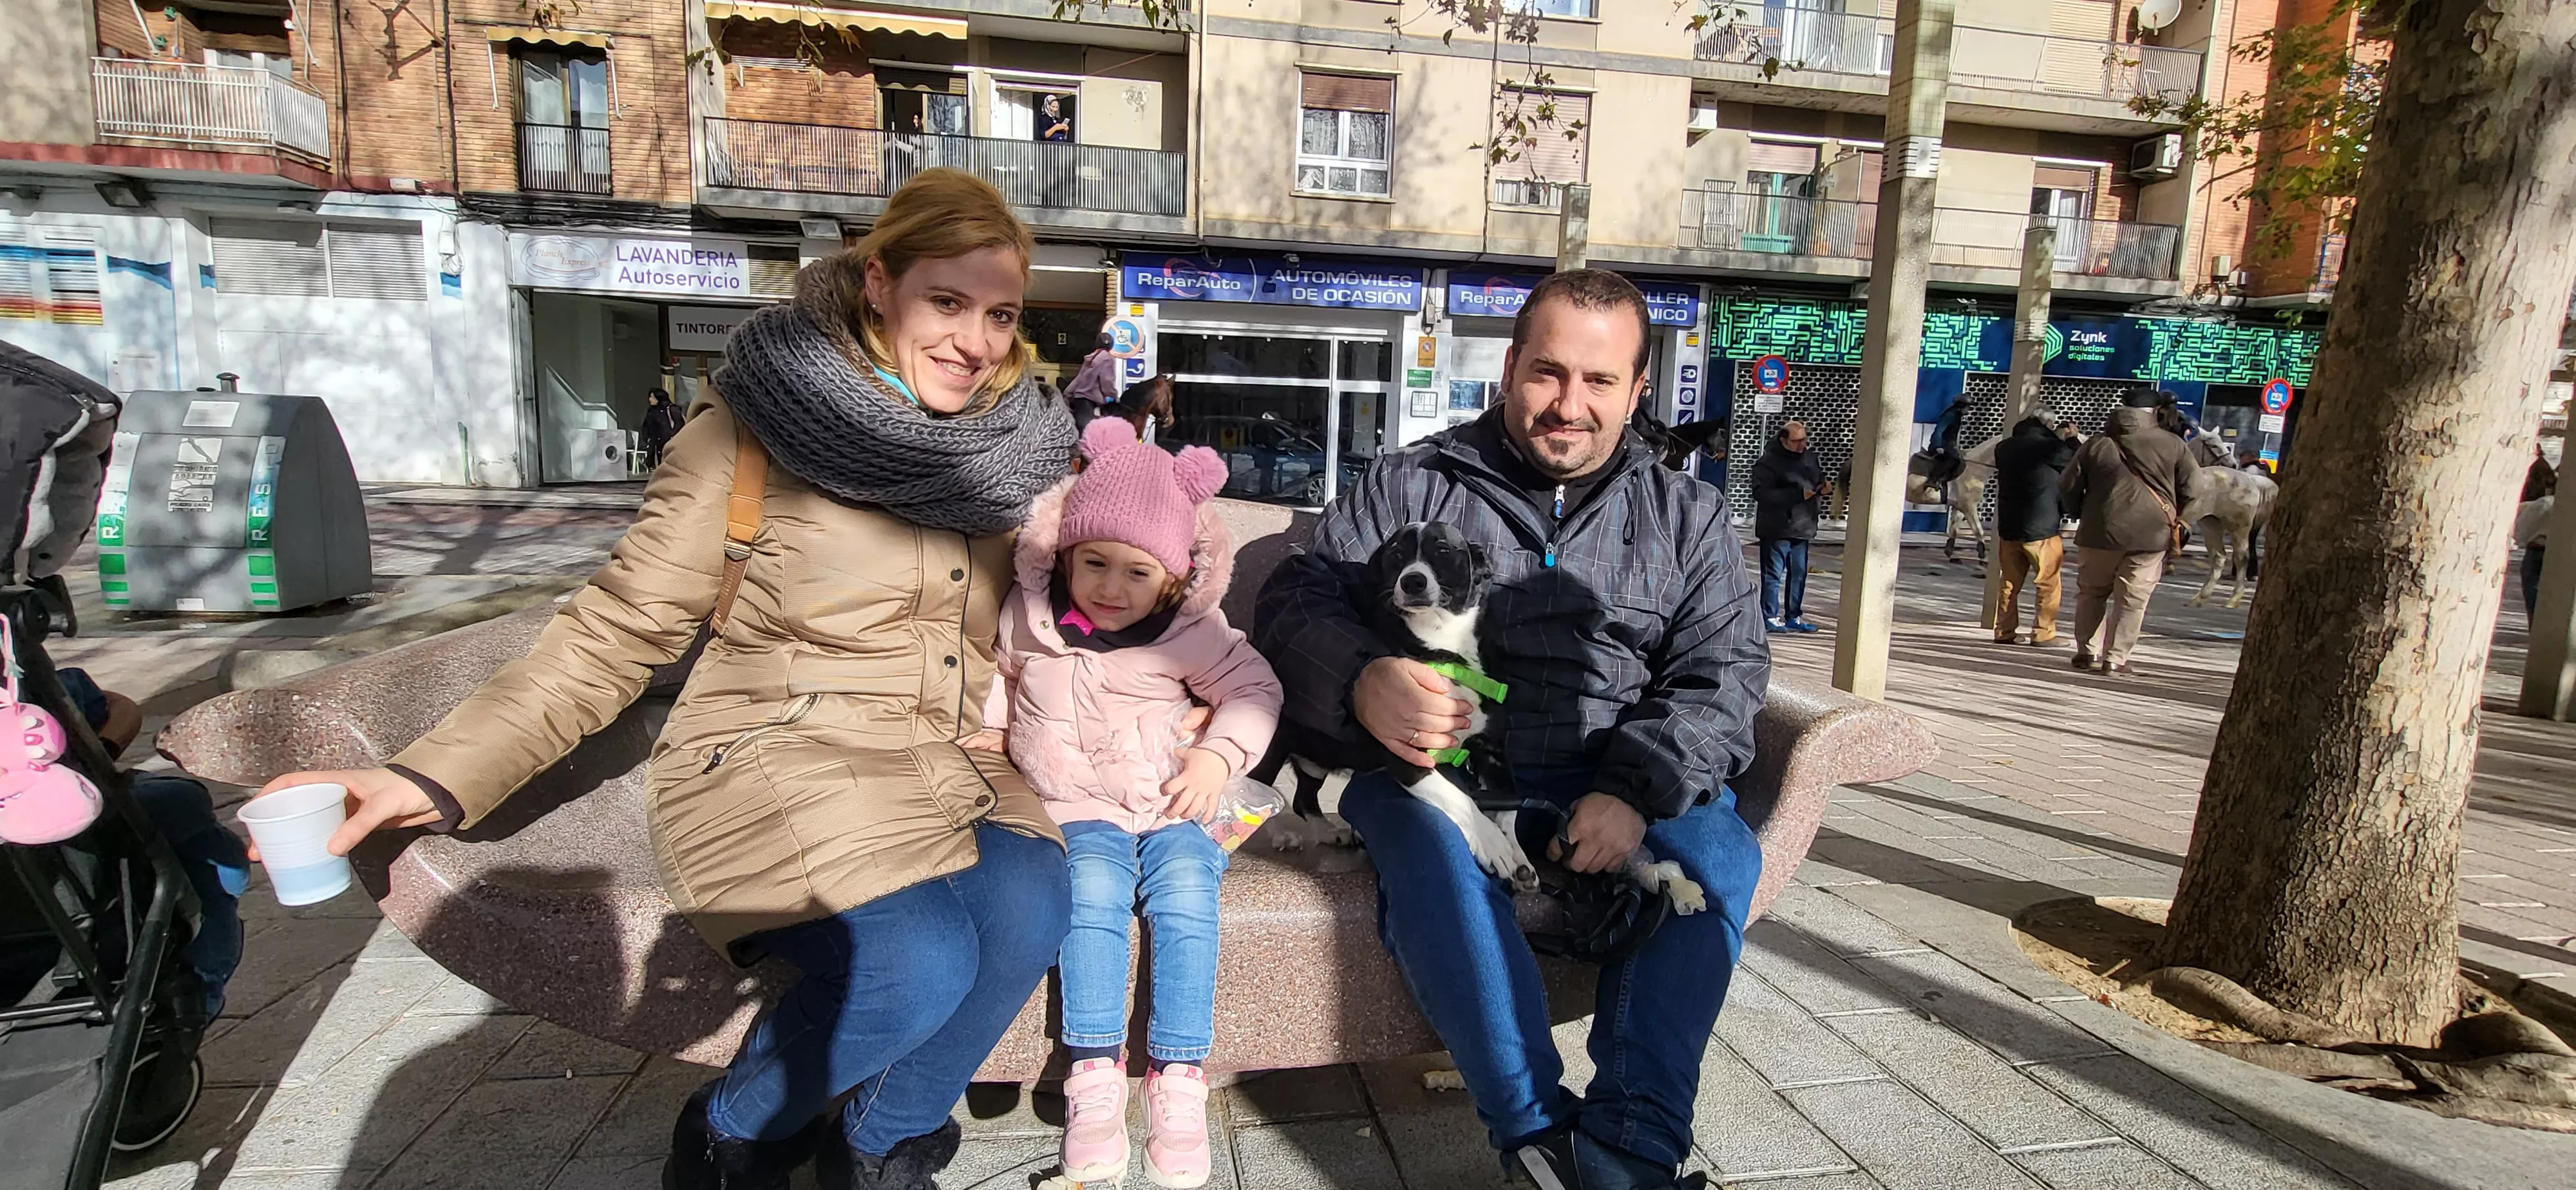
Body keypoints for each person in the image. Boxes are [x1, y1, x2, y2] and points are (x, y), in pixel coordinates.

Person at [252, 169, 1080, 1190]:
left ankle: (881, 1148)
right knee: (914, 963)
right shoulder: (752, 432)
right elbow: (615, 629)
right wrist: (428, 777)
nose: (977, 341)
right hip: (771, 752)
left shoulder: (1006, 453)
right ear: (878, 283)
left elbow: (1085, 600)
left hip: (935, 758)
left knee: (1035, 902)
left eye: (1000, 314)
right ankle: (738, 1134)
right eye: (946, 303)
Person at [1255, 269, 1767, 1190]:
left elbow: (1724, 678)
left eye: (1600, 381)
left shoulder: (1690, 518)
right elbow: (1296, 598)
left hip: (1615, 767)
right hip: (1440, 770)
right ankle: (1535, 1134)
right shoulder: (1410, 482)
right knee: (1425, 839)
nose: (1568, 405)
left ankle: (1628, 1152)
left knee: (1721, 854)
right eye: (1548, 373)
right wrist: (1363, 678)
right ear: (1508, 367)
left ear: (1638, 390)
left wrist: (1635, 787)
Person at [967, 418, 1281, 1189]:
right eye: (1093, 563)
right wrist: (982, 745)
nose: (1110, 588)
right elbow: (998, 683)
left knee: (1185, 895)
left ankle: (1178, 1074)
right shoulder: (1029, 617)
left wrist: (1217, 754)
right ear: (1064, 555)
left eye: (1136, 573)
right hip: (1074, 806)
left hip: (1174, 800)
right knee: (1094, 891)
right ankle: (1094, 1071)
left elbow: (1255, 689)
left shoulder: (1190, 632)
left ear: (1172, 579)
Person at [2060, 390, 2199, 674]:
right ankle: (2115, 658)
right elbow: (2196, 490)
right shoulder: (2173, 445)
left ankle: (2087, 653)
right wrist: (2184, 521)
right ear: (2156, 412)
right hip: (2150, 536)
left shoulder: (2098, 444)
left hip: (2098, 532)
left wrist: (2079, 512)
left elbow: (2067, 484)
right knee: (2133, 599)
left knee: (2091, 593)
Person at [1990, 413, 2079, 645]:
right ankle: (2043, 633)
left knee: (2009, 582)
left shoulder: (2004, 447)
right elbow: (2076, 462)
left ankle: (2004, 631)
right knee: (2048, 583)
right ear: (2047, 424)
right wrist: (2071, 438)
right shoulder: (2051, 448)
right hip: (2042, 528)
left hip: (2009, 526)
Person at [1749, 420, 1828, 634]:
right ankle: (1770, 616)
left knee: (1799, 574)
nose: (1802, 445)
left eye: (1804, 439)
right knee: (1774, 574)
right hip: (1778, 528)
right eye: (1796, 441)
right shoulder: (1768, 462)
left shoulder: (1810, 458)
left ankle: (1794, 616)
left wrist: (1823, 488)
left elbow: (1817, 480)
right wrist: (1796, 495)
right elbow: (1761, 493)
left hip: (1804, 525)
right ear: (1783, 441)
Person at [1063, 331, 1122, 406]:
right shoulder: (1107, 359)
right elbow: (1107, 382)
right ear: (1111, 345)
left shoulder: (1091, 358)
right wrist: (1114, 395)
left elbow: (1080, 378)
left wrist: (1068, 392)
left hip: (1079, 397)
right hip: (1091, 400)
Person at [2518, 493, 2552, 618]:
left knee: (2534, 602)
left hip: (2536, 551)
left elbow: (2520, 533)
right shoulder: (2544, 504)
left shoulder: (2542, 504)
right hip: (2540, 553)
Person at [639, 388, 685, 471]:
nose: (650, 399)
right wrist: (647, 437)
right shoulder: (651, 411)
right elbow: (646, 425)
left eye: (652, 397)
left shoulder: (671, 409)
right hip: (655, 444)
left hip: (668, 442)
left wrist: (672, 436)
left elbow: (679, 425)